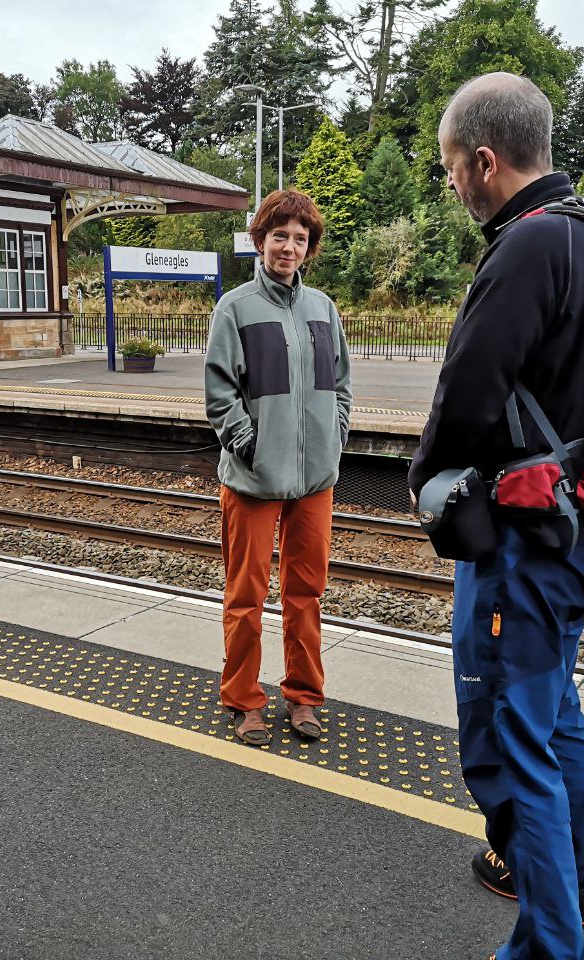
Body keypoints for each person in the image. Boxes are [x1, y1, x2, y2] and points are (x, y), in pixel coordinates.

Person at [407, 74, 584, 960]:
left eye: (454, 167)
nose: (453, 184)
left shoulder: (526, 247)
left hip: (519, 537)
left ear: (485, 161)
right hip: (568, 523)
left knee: (509, 738)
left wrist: (426, 483)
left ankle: (547, 946)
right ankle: (579, 872)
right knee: (552, 710)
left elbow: (469, 393)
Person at [204, 188, 352, 746]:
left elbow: (339, 385)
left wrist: (332, 439)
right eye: (279, 236)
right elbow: (220, 392)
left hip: (315, 479)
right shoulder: (235, 308)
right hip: (252, 479)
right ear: (259, 240)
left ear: (308, 248)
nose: (288, 247)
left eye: (299, 238)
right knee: (246, 595)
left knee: (306, 591)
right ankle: (243, 699)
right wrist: (247, 444)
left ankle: (304, 696)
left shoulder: (323, 309)